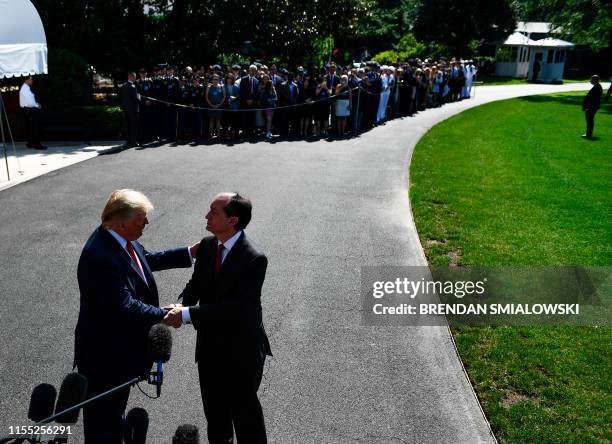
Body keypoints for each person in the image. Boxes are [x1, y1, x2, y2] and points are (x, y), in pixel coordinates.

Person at [74, 189, 198, 444]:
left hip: (118, 353)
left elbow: (146, 259)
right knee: (102, 426)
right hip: (105, 359)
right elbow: (126, 307)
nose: (147, 222)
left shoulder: (118, 240)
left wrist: (189, 253)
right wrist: (166, 314)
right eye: (142, 218)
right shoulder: (101, 257)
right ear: (122, 222)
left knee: (113, 418)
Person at [164, 192, 272, 444]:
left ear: (232, 220)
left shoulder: (254, 258)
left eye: (214, 212)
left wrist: (187, 315)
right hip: (210, 348)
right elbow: (196, 284)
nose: (207, 215)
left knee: (245, 417)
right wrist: (181, 306)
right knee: (215, 416)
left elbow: (236, 308)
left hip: (241, 351)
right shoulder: (208, 245)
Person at [19, 75, 46, 150]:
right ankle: (37, 145)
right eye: (30, 79)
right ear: (26, 80)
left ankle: (30, 143)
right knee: (35, 128)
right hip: (30, 110)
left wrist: (36, 105)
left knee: (31, 128)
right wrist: (37, 105)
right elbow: (29, 102)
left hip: (29, 110)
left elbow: (30, 100)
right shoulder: (25, 89)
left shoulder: (26, 88)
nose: (32, 81)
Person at [118, 72, 141, 148]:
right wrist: (139, 97)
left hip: (125, 109)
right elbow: (136, 99)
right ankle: (133, 142)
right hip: (133, 110)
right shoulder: (133, 86)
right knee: (133, 126)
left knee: (127, 126)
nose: (135, 78)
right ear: (131, 77)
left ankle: (128, 141)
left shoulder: (123, 86)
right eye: (134, 77)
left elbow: (119, 97)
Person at [582, 74, 603, 139]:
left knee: (589, 120)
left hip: (591, 107)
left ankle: (589, 134)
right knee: (589, 120)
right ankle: (588, 133)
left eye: (591, 79)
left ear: (595, 80)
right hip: (592, 106)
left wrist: (587, 107)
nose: (590, 81)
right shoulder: (597, 86)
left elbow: (593, 99)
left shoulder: (597, 87)